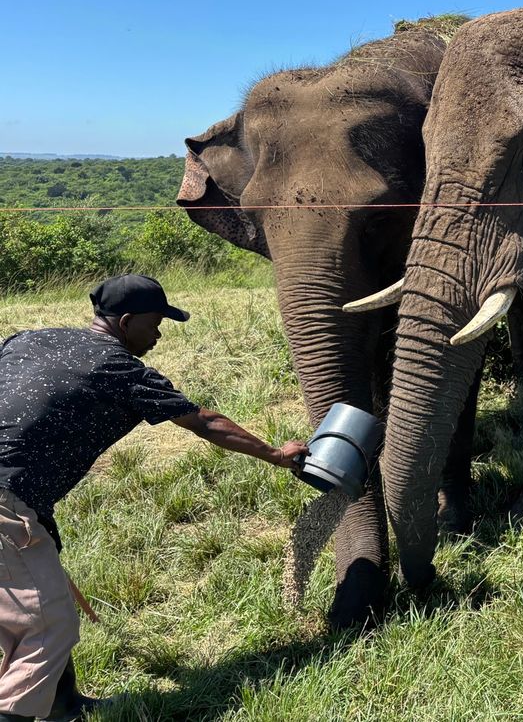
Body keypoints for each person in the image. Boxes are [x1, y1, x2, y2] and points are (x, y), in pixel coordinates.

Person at [0, 274, 309, 721]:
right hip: (8, 500)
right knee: (47, 624)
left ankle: (63, 705)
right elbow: (204, 422)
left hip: (21, 496)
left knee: (31, 601)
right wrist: (277, 454)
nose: (159, 333)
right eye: (155, 323)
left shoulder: (28, 339)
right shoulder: (118, 369)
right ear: (125, 323)